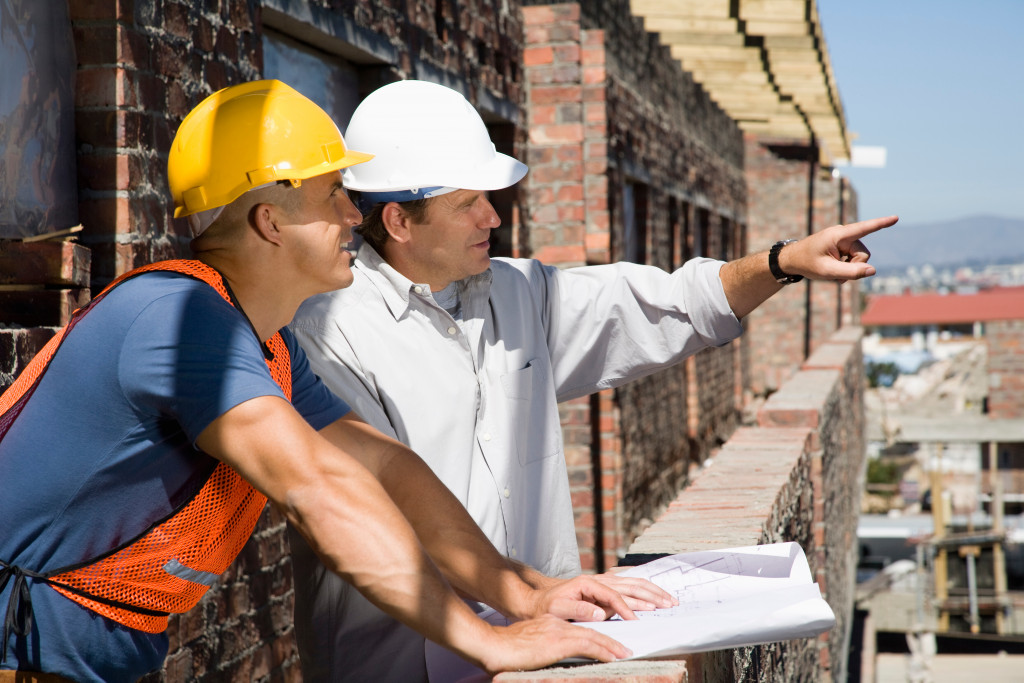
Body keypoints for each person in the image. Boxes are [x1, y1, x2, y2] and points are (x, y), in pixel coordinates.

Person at [0, 79, 674, 683]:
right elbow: (317, 490)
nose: (357, 216)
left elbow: (382, 465)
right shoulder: (178, 321)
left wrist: (521, 593)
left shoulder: (267, 346)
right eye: (333, 197)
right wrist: (489, 641)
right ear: (270, 221)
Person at [289, 79, 899, 681]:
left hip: (540, 642)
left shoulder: (516, 292)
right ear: (398, 220)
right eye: (467, 203)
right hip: (397, 664)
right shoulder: (328, 332)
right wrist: (523, 597)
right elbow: (381, 512)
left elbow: (658, 303)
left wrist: (781, 263)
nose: (492, 216)